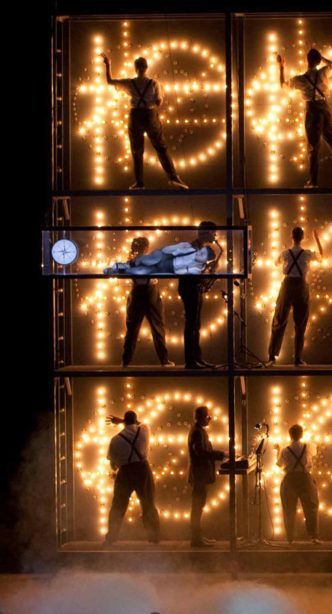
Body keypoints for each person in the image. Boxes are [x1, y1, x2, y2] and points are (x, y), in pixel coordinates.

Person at [100, 54, 188, 190]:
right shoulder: (154, 83)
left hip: (135, 115)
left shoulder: (130, 83)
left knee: (136, 150)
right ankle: (173, 177)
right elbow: (159, 102)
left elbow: (110, 81)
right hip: (150, 115)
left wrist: (108, 64)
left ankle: (139, 183)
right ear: (146, 68)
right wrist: (153, 99)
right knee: (161, 148)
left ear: (135, 68)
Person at [278, 49, 332, 188]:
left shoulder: (301, 79)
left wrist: (281, 67)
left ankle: (313, 182)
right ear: (318, 60)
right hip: (325, 107)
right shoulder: (323, 72)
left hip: (312, 110)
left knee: (313, 147)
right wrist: (324, 58)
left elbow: (283, 86)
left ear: (307, 61)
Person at [268, 227, 323, 367]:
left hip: (287, 285)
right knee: (301, 322)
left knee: (279, 319)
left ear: (291, 237)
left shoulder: (285, 253)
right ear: (303, 237)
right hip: (301, 285)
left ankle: (271, 357)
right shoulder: (308, 253)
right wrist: (316, 238)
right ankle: (297, 359)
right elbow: (322, 257)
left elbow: (275, 263)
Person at [104, 411, 160, 545]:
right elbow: (139, 423)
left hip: (125, 472)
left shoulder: (115, 440)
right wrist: (122, 420)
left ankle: (111, 537)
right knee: (148, 503)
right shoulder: (144, 430)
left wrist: (118, 467)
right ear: (135, 420)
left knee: (118, 506)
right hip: (142, 470)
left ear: (125, 421)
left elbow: (113, 464)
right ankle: (154, 537)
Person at [119, 237, 172, 367]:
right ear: (146, 247)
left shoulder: (130, 261)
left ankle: (125, 361)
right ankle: (164, 361)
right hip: (150, 293)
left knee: (132, 329)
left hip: (136, 293)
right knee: (157, 326)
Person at [177, 222, 221, 369]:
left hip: (193, 287)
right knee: (191, 324)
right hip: (189, 287)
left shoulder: (199, 248)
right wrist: (206, 270)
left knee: (196, 324)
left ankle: (197, 358)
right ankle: (190, 361)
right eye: (213, 233)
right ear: (205, 233)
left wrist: (207, 269)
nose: (215, 236)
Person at [275, 424, 321, 545]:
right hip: (305, 478)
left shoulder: (285, 450)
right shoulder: (308, 447)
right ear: (301, 434)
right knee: (311, 507)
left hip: (290, 479)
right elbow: (315, 453)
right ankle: (313, 536)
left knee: (289, 509)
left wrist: (278, 450)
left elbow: (279, 464)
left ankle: (290, 538)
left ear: (290, 435)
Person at [188, 405, 226, 547]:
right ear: (201, 417)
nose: (210, 420)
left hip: (200, 475)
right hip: (200, 475)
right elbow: (201, 453)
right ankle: (196, 539)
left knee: (198, 507)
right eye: (208, 417)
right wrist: (220, 455)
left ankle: (198, 537)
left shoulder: (199, 430)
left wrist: (221, 454)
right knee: (197, 507)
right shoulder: (197, 432)